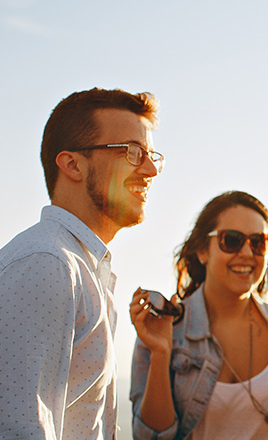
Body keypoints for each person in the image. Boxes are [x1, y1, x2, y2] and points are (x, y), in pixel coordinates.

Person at [0, 88, 162, 439]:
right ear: (72, 164)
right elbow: (18, 428)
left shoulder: (82, 268)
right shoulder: (48, 264)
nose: (150, 170)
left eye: (151, 156)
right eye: (132, 152)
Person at [129, 190, 268, 440]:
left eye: (259, 242)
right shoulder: (164, 326)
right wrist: (160, 353)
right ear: (202, 251)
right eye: (232, 240)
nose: (246, 252)